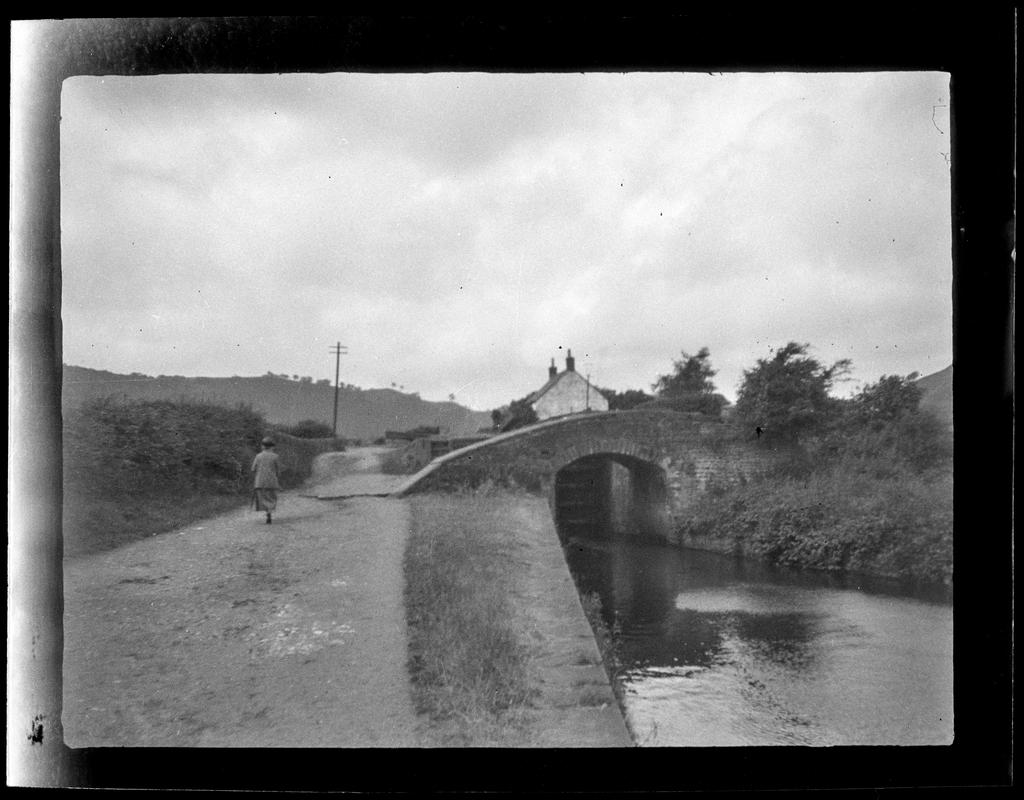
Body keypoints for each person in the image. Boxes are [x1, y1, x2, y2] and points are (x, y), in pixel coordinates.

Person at [251, 436, 281, 524]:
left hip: (260, 482)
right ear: (272, 447)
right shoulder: (276, 456)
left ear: (262, 446)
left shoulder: (258, 456)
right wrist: (277, 478)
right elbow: (279, 471)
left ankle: (267, 512)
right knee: (272, 498)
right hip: (272, 482)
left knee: (262, 498)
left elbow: (253, 469)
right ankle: (269, 512)